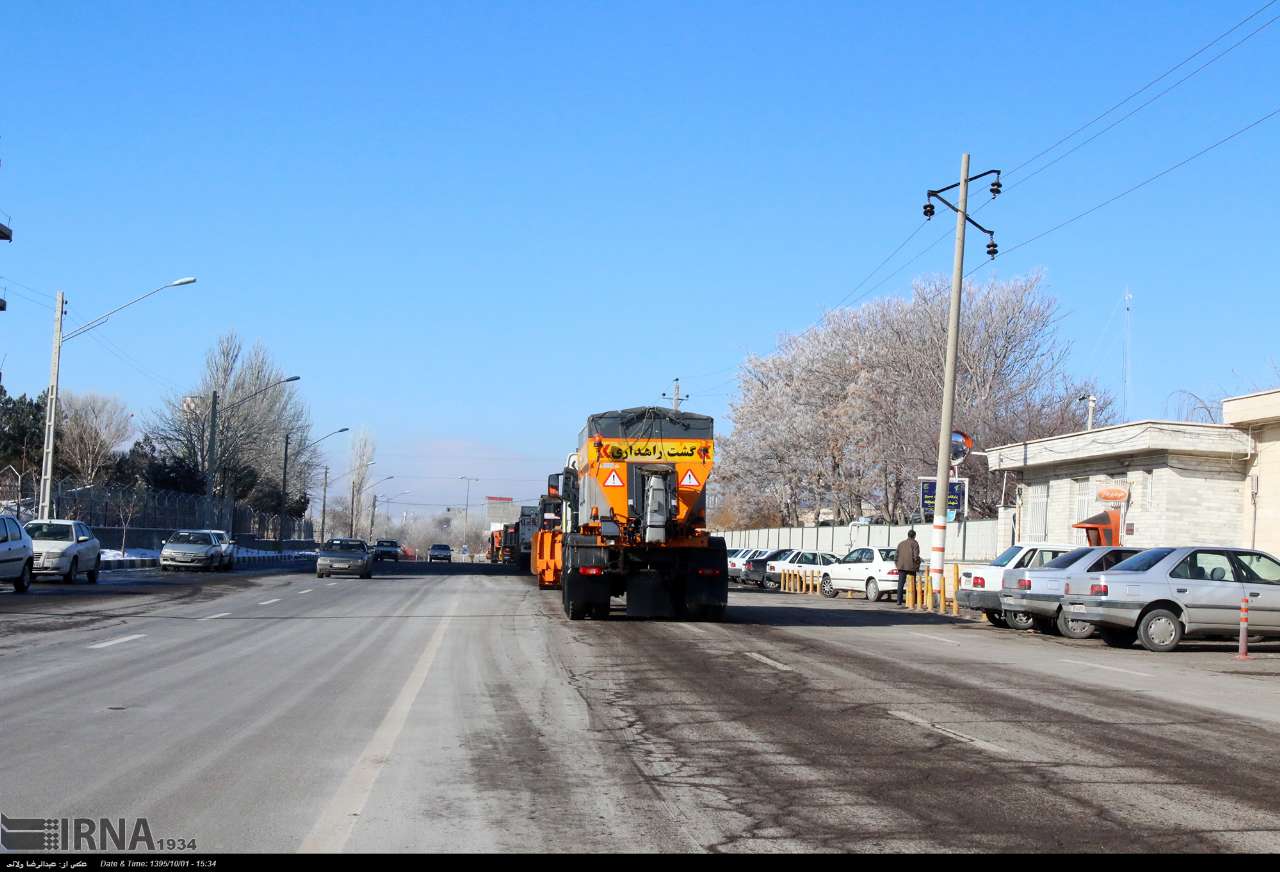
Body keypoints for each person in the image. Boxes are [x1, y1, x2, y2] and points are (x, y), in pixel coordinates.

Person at [895, 530, 921, 606]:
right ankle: (913, 601)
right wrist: (918, 563)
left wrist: (897, 565)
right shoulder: (915, 544)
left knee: (900, 584)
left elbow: (896, 556)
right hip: (911, 567)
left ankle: (899, 601)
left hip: (901, 566)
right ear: (914, 536)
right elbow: (916, 557)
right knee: (912, 584)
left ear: (908, 535)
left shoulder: (901, 544)